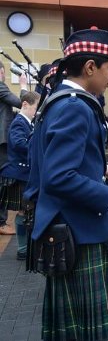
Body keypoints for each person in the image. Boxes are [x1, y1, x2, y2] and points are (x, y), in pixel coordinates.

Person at [24, 27, 108, 341]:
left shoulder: (61, 101)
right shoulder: (72, 107)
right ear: (90, 67)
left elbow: (64, 170)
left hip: (79, 228)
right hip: (81, 233)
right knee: (99, 331)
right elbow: (59, 177)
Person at [0, 91, 40, 259]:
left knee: (26, 211)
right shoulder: (19, 122)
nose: (36, 111)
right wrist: (37, 146)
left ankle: (26, 247)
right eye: (35, 107)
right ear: (25, 105)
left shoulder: (28, 122)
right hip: (19, 174)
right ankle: (23, 249)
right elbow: (18, 144)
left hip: (25, 174)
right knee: (24, 211)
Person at [0, 61, 28, 235]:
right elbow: (20, 102)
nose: (3, 76)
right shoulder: (0, 87)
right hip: (1, 142)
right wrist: (23, 85)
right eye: (2, 72)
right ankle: (1, 223)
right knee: (2, 181)